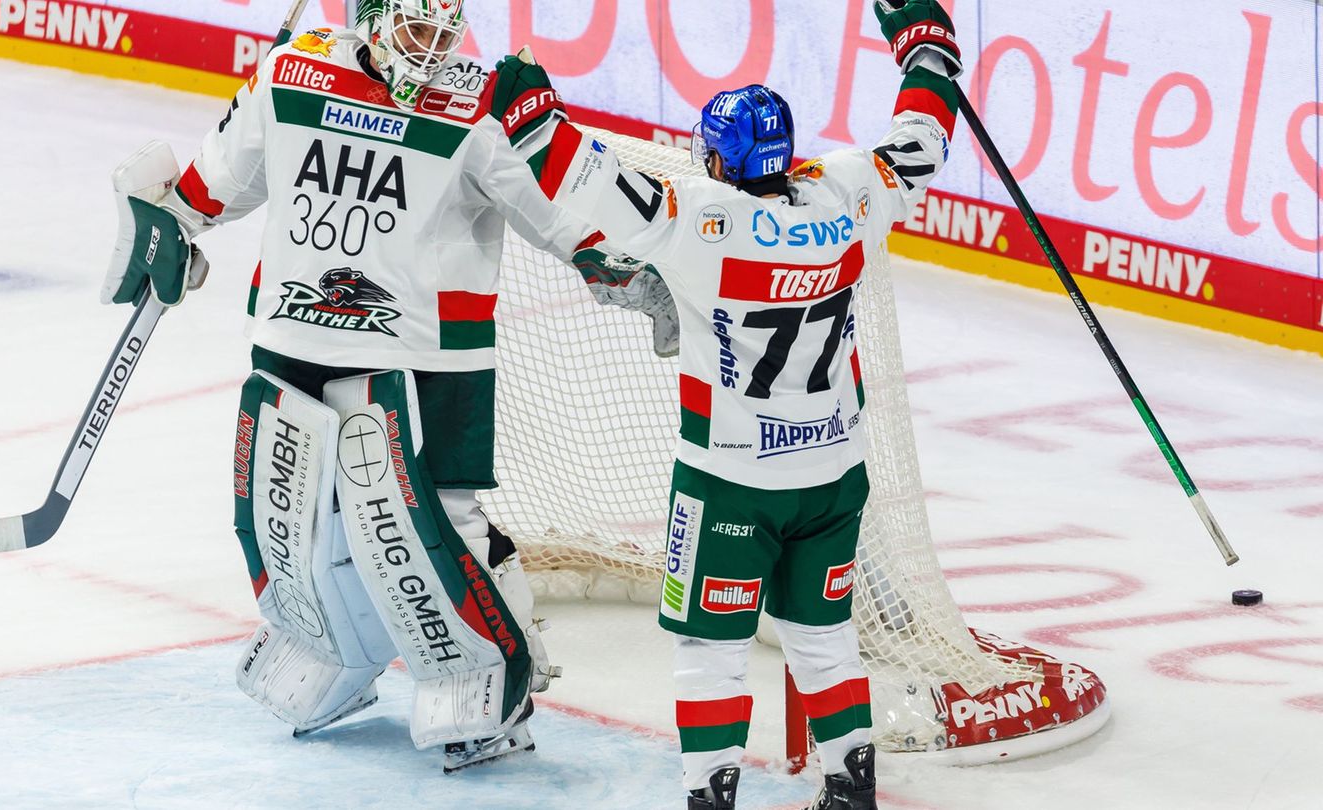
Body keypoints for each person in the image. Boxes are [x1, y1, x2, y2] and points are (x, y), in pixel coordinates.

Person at [98, 0, 671, 772]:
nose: (430, 51)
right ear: (371, 19)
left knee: (435, 523)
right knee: (291, 517)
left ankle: (496, 671)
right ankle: (331, 650)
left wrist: (617, 268)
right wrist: (168, 224)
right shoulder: (290, 72)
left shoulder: (476, 102)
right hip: (295, 336)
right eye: (415, 29)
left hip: (429, 353)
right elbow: (215, 185)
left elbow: (551, 211)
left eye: (443, 33)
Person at [486, 0, 965, 805]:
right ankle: (851, 791)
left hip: (731, 484)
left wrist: (524, 99)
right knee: (823, 637)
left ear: (721, 157)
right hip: (834, 477)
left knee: (709, 650)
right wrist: (926, 43)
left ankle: (710, 794)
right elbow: (922, 139)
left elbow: (575, 171)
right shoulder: (848, 193)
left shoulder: (699, 223)